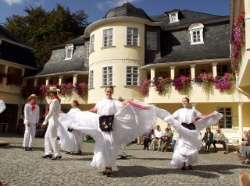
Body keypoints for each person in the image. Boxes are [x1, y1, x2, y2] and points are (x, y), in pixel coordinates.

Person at [156, 97, 223, 170]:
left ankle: (190, 163)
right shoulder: (179, 111)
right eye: (183, 101)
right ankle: (183, 164)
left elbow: (201, 117)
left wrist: (211, 115)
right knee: (182, 146)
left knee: (191, 147)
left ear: (188, 102)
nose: (184, 102)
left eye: (185, 101)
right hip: (183, 129)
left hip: (191, 129)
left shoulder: (193, 111)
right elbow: (172, 118)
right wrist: (168, 119)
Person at [41, 87, 62, 160]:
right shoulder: (55, 100)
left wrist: (45, 121)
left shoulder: (55, 101)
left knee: (52, 138)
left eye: (50, 92)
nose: (49, 94)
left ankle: (57, 154)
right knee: (47, 137)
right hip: (52, 121)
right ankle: (48, 152)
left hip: (53, 121)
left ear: (53, 93)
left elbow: (51, 112)